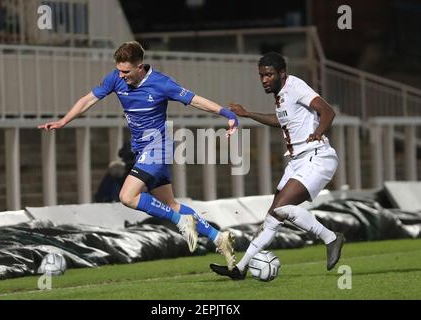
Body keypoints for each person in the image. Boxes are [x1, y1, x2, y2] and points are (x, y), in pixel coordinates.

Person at [38, 41, 238, 269]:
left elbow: (195, 100)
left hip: (158, 148)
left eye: (126, 71)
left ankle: (183, 222)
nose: (121, 76)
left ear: (140, 67)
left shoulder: (161, 83)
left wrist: (226, 113)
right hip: (143, 151)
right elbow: (88, 100)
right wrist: (64, 121)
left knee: (127, 196)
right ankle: (219, 238)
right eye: (119, 70)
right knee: (171, 204)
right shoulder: (115, 78)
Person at [210, 52, 345, 280]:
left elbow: (328, 111)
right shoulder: (282, 95)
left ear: (282, 73)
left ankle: (331, 237)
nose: (264, 79)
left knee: (282, 209)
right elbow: (280, 121)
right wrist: (248, 113)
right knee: (273, 217)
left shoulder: (295, 87)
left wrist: (317, 133)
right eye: (261, 75)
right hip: (297, 162)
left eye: (269, 74)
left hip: (316, 157)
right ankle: (239, 269)